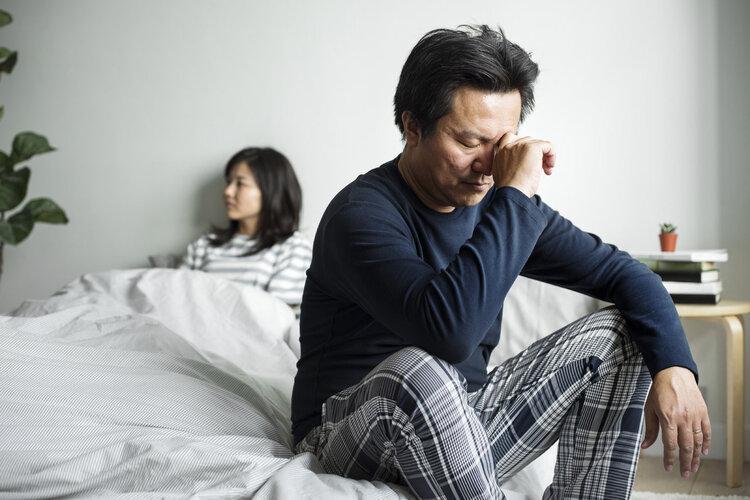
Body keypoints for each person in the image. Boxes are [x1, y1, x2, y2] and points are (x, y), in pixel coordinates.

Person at [291, 25, 710, 499]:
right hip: (348, 431)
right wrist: (515, 195)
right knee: (419, 369)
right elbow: (449, 334)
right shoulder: (360, 215)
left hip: (466, 424)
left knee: (627, 330)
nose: (488, 166)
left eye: (501, 145)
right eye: (469, 142)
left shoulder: (500, 205)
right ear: (413, 127)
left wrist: (675, 368)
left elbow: (627, 275)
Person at [181, 147, 311, 308]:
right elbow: (176, 299)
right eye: (229, 182)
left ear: (270, 191)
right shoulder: (203, 245)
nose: (228, 191)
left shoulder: (292, 247)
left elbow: (277, 315)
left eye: (240, 183)